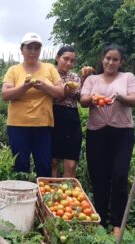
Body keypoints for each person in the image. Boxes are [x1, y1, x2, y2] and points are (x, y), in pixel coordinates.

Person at [79, 44, 135, 237]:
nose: (110, 62)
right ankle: (99, 218)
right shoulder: (92, 79)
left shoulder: (127, 77)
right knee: (99, 176)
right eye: (107, 58)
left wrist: (120, 96)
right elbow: (83, 101)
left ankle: (117, 223)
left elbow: (134, 99)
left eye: (115, 59)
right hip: (96, 133)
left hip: (122, 133)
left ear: (121, 62)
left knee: (120, 175)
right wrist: (93, 99)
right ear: (102, 59)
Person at [2, 32, 64, 177]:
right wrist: (24, 87)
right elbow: (5, 94)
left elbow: (60, 92)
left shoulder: (49, 68)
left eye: (36, 48)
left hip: (43, 124)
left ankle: (42, 198)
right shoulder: (14, 70)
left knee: (44, 164)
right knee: (20, 166)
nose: (33, 52)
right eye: (29, 48)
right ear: (22, 50)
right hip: (17, 125)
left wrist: (44, 87)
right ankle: (23, 198)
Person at [50, 46, 90, 178]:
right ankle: (50, 196)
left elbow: (81, 99)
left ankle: (68, 197)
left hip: (72, 119)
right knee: (53, 161)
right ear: (57, 57)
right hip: (53, 118)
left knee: (71, 163)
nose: (69, 63)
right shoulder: (49, 74)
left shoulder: (74, 77)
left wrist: (84, 79)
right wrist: (65, 89)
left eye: (72, 61)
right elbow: (52, 96)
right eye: (65, 59)